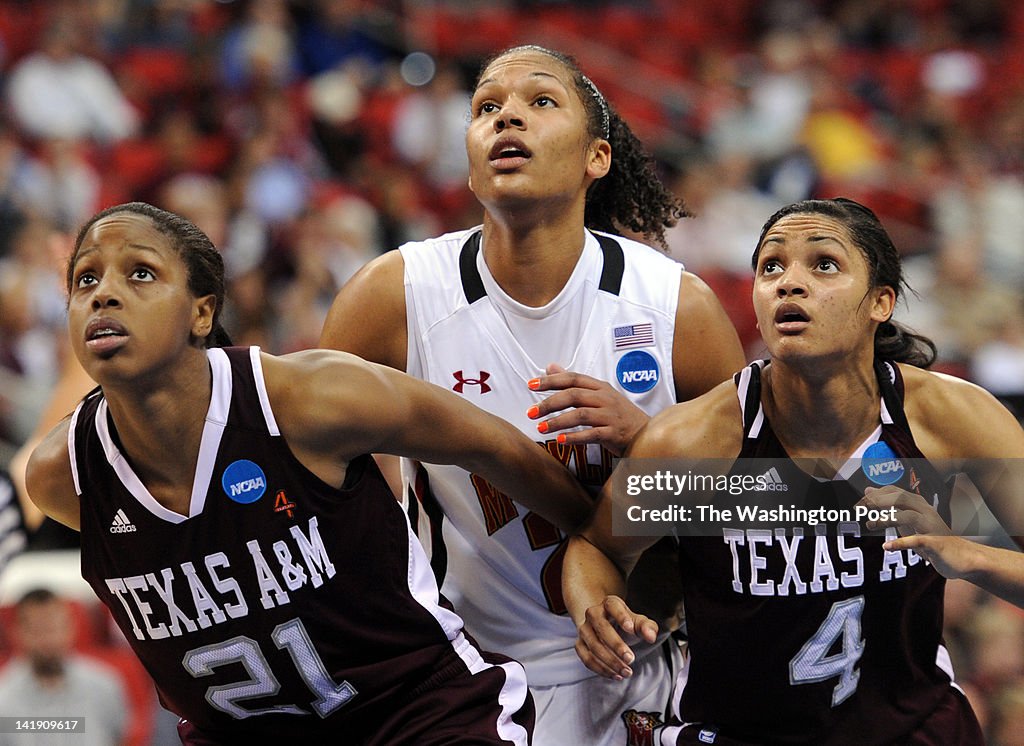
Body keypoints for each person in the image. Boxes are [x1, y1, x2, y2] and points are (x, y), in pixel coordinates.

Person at [24, 201, 598, 745]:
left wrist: (603, 546)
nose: (104, 296)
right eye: (85, 280)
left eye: (141, 274)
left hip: (414, 715)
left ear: (202, 311)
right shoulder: (61, 477)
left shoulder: (304, 399)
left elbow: (494, 446)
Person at [318, 44, 746, 746]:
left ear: (596, 159)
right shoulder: (392, 296)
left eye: (540, 101)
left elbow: (747, 515)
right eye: (487, 106)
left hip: (634, 670)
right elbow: (315, 487)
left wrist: (651, 444)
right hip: (460, 679)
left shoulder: (678, 308)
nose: (506, 115)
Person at [563, 198, 1024, 744]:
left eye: (823, 264)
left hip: (912, 728)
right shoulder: (697, 442)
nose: (788, 283)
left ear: (881, 302)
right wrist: (596, 608)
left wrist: (967, 554)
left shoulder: (950, 420)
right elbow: (597, 547)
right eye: (770, 267)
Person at [0, 587, 128, 746]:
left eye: (55, 628)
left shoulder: (105, 686)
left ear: (71, 627)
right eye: (38, 630)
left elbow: (119, 737)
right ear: (18, 632)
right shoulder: (3, 699)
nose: (49, 639)